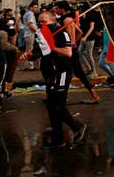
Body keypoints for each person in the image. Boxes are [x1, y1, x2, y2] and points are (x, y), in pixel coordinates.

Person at [26, 10, 86, 148]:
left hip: (62, 72)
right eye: (39, 22)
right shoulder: (40, 35)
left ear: (52, 20)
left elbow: (68, 52)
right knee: (51, 106)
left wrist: (52, 47)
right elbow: (36, 53)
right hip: (49, 74)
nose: (42, 24)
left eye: (45, 21)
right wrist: (28, 55)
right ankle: (57, 138)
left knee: (58, 105)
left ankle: (77, 126)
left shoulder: (61, 33)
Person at [55, 1, 99, 103]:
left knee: (66, 74)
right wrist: (74, 42)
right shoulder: (70, 20)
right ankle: (93, 94)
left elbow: (67, 35)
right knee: (79, 74)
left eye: (58, 8)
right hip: (73, 49)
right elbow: (80, 32)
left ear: (62, 9)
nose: (56, 10)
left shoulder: (65, 21)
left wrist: (69, 44)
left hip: (68, 50)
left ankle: (63, 97)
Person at [20, 1, 39, 70]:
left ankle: (29, 65)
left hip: (28, 34)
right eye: (35, 7)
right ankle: (29, 66)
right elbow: (31, 24)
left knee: (28, 50)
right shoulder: (30, 14)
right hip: (30, 34)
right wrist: (38, 32)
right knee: (29, 50)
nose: (36, 9)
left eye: (36, 7)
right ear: (31, 7)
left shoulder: (27, 14)